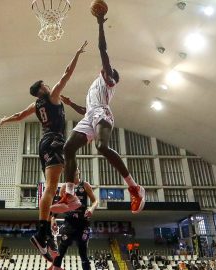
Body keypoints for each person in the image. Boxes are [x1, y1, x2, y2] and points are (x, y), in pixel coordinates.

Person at [0, 41, 88, 261]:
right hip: (55, 140)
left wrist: (5, 119)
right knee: (54, 183)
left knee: (68, 171)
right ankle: (43, 229)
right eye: (45, 85)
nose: (49, 85)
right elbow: (66, 75)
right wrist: (76, 54)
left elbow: (20, 115)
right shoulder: (51, 97)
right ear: (42, 89)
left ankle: (64, 202)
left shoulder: (36, 105)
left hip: (45, 143)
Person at [53, 14, 145, 215]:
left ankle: (134, 187)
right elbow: (86, 111)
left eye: (108, 69)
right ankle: (69, 195)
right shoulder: (94, 85)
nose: (104, 69)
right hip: (91, 116)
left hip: (103, 114)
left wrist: (100, 23)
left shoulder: (109, 81)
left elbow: (103, 50)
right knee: (68, 147)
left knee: (101, 146)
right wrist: (70, 103)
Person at [50, 169, 98, 270]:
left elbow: (95, 201)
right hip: (69, 222)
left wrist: (91, 209)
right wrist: (53, 218)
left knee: (83, 252)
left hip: (83, 223)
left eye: (74, 169)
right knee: (62, 249)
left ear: (78, 172)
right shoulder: (64, 187)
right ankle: (56, 268)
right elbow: (59, 204)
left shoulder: (85, 185)